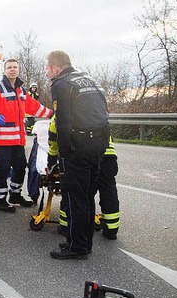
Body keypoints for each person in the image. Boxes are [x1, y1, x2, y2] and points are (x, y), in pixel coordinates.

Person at [45, 50, 109, 260]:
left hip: (78, 148)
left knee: (75, 197)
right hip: (99, 144)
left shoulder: (61, 84)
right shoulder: (88, 80)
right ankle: (85, 242)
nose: (47, 72)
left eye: (47, 68)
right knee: (88, 196)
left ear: (56, 68)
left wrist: (62, 155)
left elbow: (62, 121)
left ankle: (76, 246)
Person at [0, 59, 53, 212]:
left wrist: (52, 114)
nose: (12, 70)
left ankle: (15, 195)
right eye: (9, 67)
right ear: (4, 70)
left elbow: (34, 107)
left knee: (19, 169)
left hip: (18, 141)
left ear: (18, 70)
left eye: (15, 67)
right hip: (3, 141)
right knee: (2, 170)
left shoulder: (21, 91)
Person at [49, 118, 120, 241]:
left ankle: (66, 226)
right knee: (108, 190)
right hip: (107, 154)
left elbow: (54, 140)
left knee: (76, 190)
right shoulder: (95, 108)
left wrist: (51, 161)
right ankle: (111, 229)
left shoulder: (64, 111)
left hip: (85, 154)